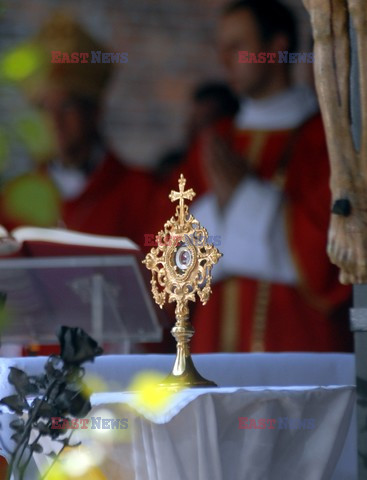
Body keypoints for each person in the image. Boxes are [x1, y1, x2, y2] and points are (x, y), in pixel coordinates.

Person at [153, 0, 353, 352]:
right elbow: (168, 266)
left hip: (299, 351)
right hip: (212, 355)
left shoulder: (325, 140)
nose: (225, 59)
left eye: (238, 47)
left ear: (276, 48)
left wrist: (241, 199)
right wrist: (232, 211)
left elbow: (331, 256)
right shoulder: (215, 142)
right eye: (222, 48)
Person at [0, 13, 152, 246]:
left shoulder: (142, 194)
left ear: (94, 111)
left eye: (66, 105)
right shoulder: (12, 201)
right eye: (43, 108)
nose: (54, 120)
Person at [155, 81, 239, 179]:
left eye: (203, 122)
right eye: (191, 119)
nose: (191, 128)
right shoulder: (174, 167)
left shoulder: (235, 168)